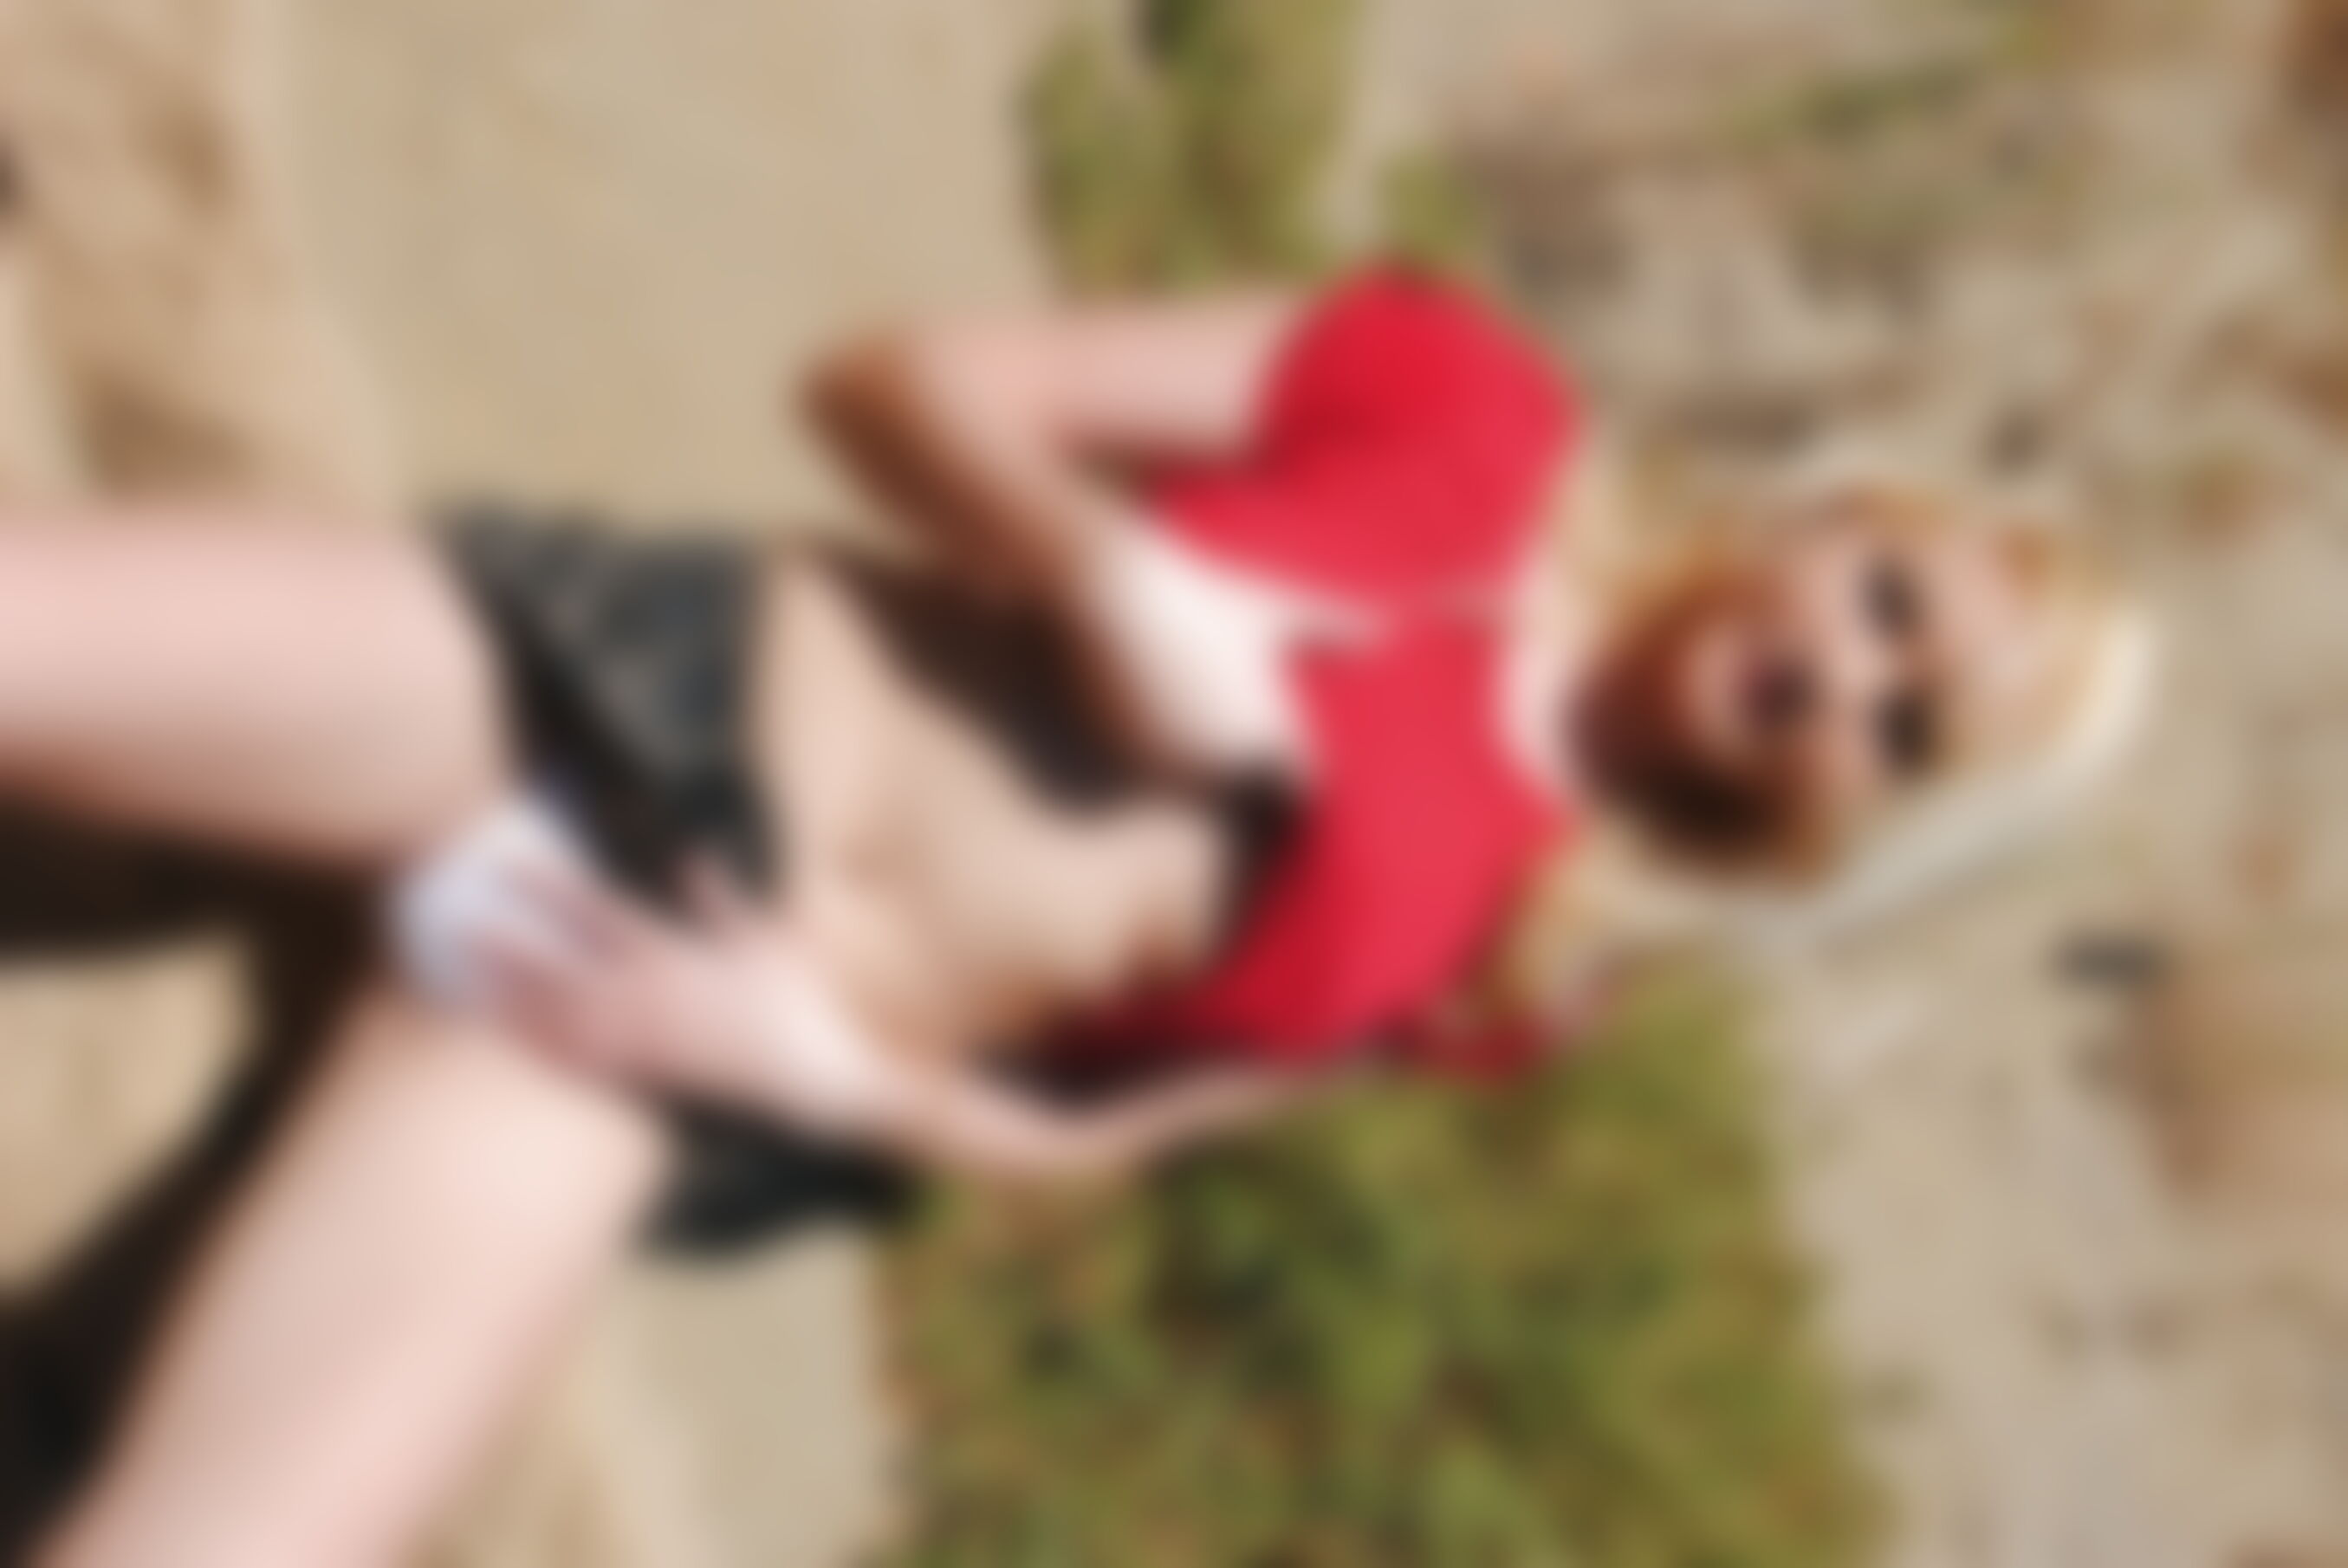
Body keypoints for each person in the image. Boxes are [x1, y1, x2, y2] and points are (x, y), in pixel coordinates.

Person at [25, 268, 2145, 1566]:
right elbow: (888, 380)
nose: (1843, 675)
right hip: (611, 677)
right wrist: (1102, 576)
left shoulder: (1533, 959)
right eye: (1885, 602)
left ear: (1863, 824)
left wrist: (821, 1071)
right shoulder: (1464, 400)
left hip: (653, 1013)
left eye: (1902, 732)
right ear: (1834, 518)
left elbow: (1081, 1131)